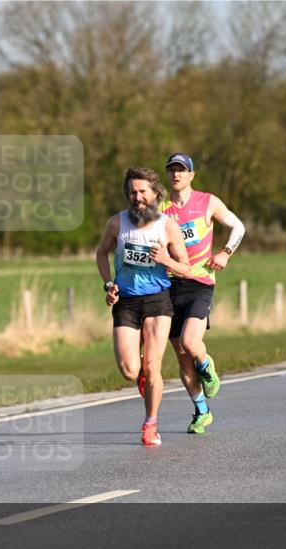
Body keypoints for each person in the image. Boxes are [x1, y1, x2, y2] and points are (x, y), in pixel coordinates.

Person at [95, 167, 193, 447]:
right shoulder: (117, 223)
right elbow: (101, 253)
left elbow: (185, 268)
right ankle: (142, 378)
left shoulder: (168, 226)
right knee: (129, 369)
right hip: (126, 300)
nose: (137, 197)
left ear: (155, 194)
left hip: (157, 300)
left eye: (142, 192)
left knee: (153, 365)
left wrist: (165, 259)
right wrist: (108, 284)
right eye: (132, 192)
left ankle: (150, 424)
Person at [160, 153, 245, 435]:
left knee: (190, 342)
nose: (176, 175)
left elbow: (238, 226)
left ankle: (206, 365)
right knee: (182, 356)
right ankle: (201, 411)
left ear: (191, 175)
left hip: (200, 282)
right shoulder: (160, 208)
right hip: (169, 285)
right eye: (172, 170)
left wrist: (226, 253)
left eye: (182, 170)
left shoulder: (207, 202)